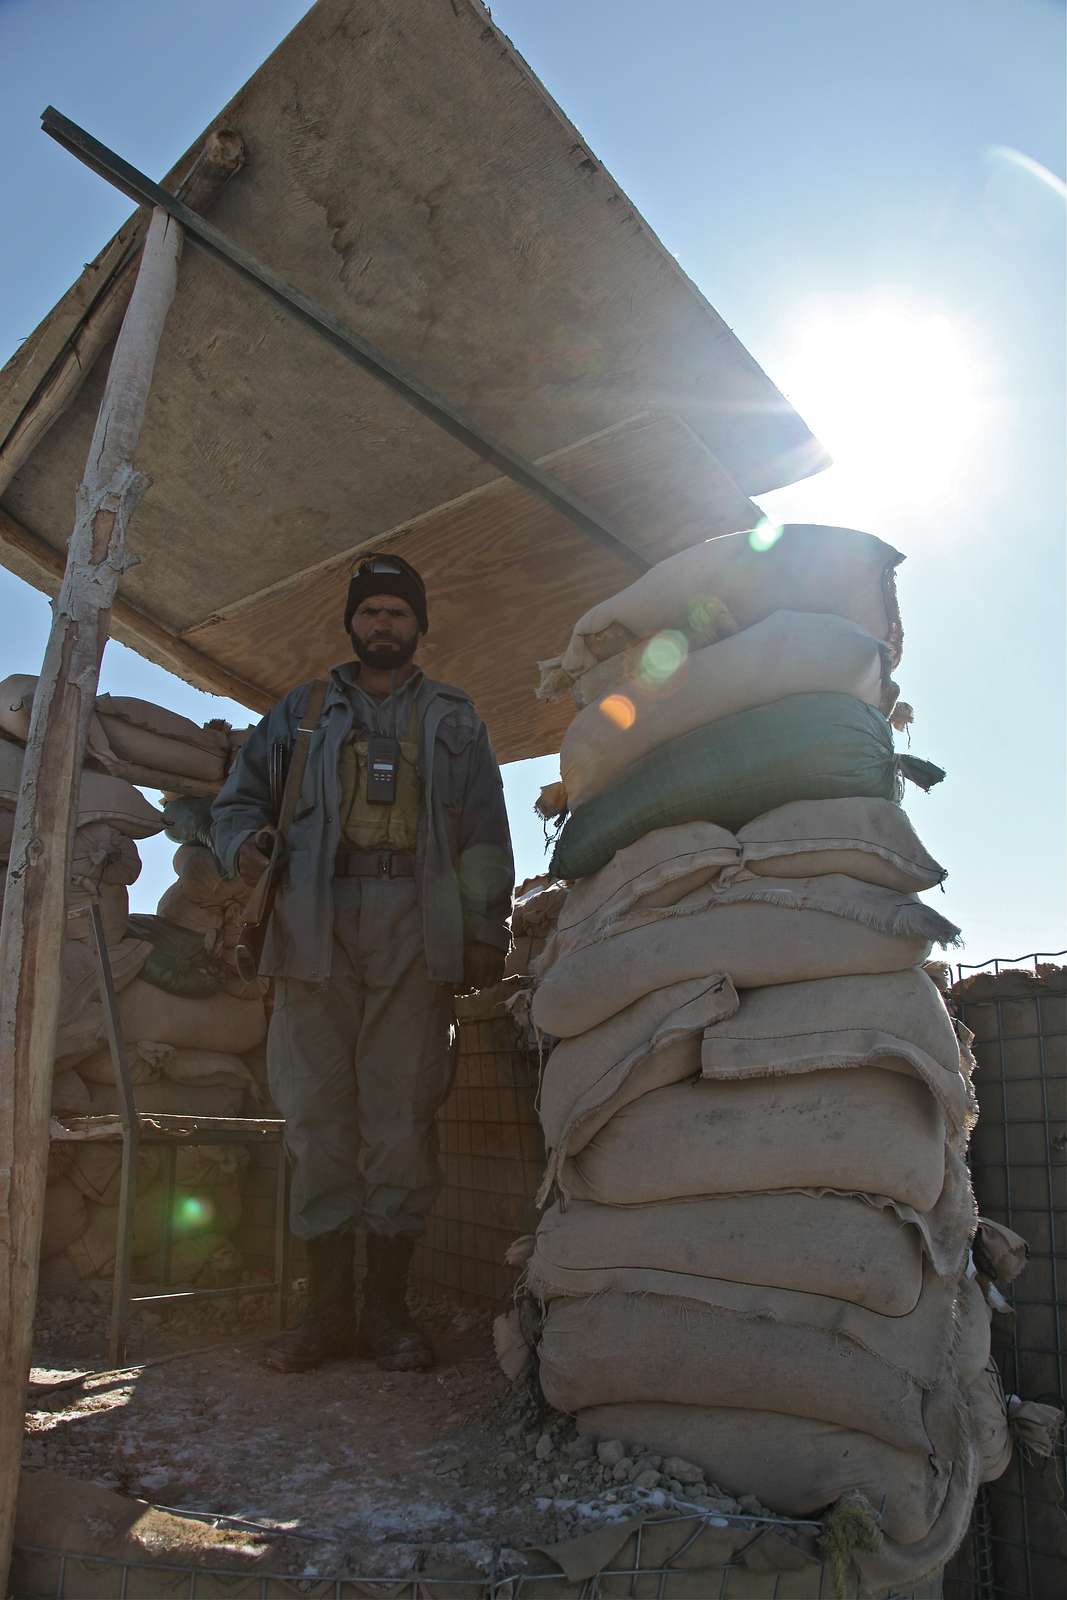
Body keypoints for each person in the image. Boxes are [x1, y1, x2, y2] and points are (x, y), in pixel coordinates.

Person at [212, 553, 514, 1373]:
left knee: (401, 1116)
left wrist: (487, 926)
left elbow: (486, 828)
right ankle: (326, 1316)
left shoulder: (456, 718)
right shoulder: (300, 713)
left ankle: (386, 1313)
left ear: (419, 625)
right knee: (315, 1116)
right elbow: (234, 802)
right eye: (371, 612)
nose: (383, 625)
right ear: (352, 623)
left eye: (397, 613)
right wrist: (245, 845)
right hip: (313, 924)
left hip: (416, 927)